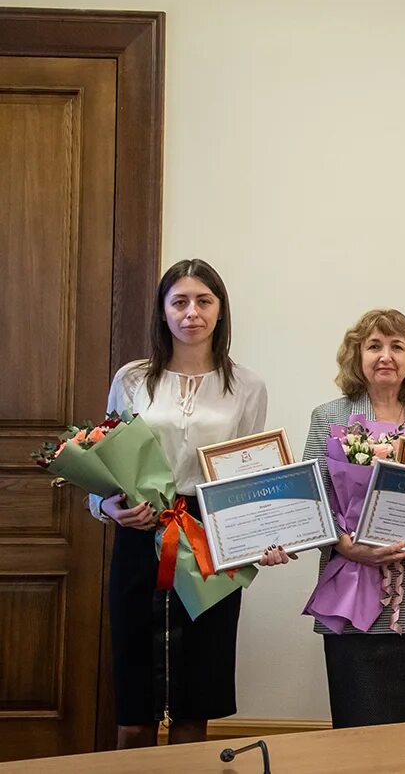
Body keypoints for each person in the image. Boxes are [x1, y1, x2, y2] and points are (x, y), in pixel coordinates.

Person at [93, 259, 274, 747]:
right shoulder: (132, 379)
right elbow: (106, 457)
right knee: (135, 702)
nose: (191, 312)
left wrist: (266, 537)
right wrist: (106, 507)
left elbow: (250, 473)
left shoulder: (247, 385)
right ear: (163, 311)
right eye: (180, 301)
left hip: (210, 537)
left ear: (220, 311)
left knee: (198, 695)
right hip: (140, 529)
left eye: (203, 301)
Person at [302, 309, 405, 728]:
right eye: (374, 346)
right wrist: (347, 546)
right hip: (353, 594)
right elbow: (312, 500)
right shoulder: (329, 416)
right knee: (360, 723)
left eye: (396, 346)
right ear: (358, 356)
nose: (385, 355)